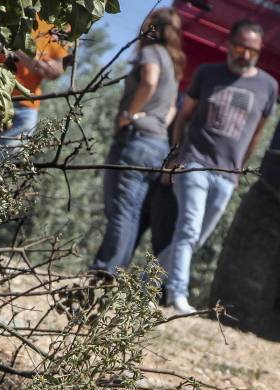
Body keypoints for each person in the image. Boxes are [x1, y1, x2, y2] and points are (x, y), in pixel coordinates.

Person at [159, 19, 278, 314]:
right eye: (240, 47)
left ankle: (143, 279)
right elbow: (184, 116)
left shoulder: (268, 86)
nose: (245, 55)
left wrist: (239, 171)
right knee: (188, 229)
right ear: (228, 44)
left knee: (196, 237)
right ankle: (177, 296)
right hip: (194, 163)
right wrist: (175, 156)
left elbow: (256, 134)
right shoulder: (207, 73)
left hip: (227, 175)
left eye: (252, 50)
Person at [89, 8, 184, 277]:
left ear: (152, 25)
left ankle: (106, 269)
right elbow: (171, 111)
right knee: (130, 211)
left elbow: (149, 82)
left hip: (135, 141)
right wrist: (156, 122)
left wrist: (130, 114)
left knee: (120, 210)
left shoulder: (152, 53)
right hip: (156, 144)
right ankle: (114, 269)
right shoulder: (173, 61)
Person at [0, 16, 69, 164]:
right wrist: (34, 61)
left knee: (1, 166)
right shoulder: (14, 8)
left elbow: (56, 70)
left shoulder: (61, 22)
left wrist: (19, 50)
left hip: (26, 104)